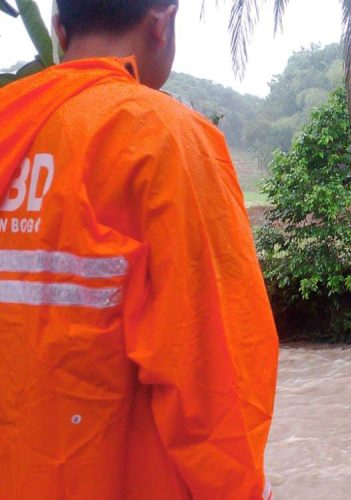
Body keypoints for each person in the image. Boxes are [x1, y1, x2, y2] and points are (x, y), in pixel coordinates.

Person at [0, 1, 279, 498]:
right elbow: (216, 384)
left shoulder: (10, 123)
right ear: (162, 23)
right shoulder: (165, 141)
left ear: (60, 30)